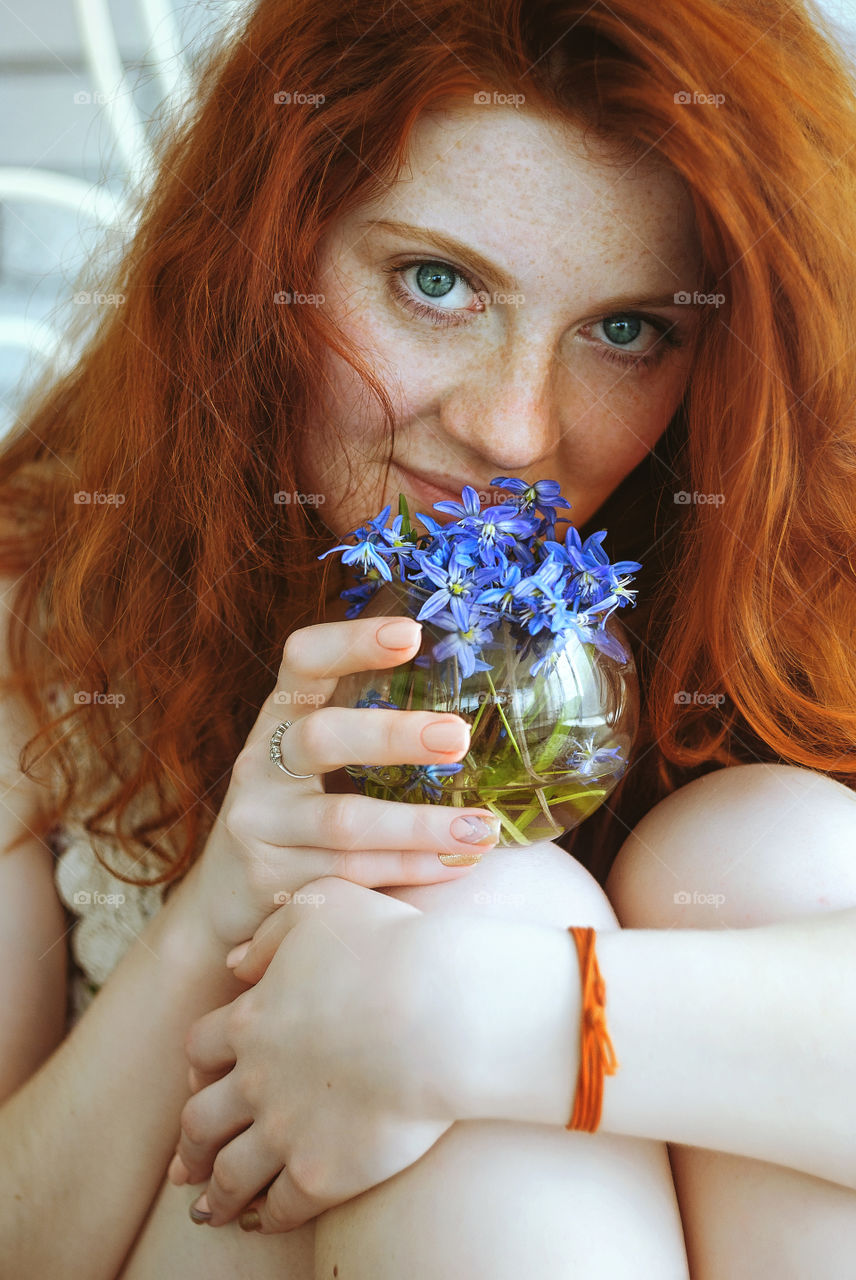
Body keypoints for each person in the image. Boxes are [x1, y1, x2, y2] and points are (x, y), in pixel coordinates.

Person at [1, 0, 856, 1275]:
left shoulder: (793, 569)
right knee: (479, 890)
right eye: (437, 284)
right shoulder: (54, 598)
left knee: (752, 851)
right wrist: (220, 913)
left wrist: (466, 1011)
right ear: (263, 262)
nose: (514, 431)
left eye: (627, 330)